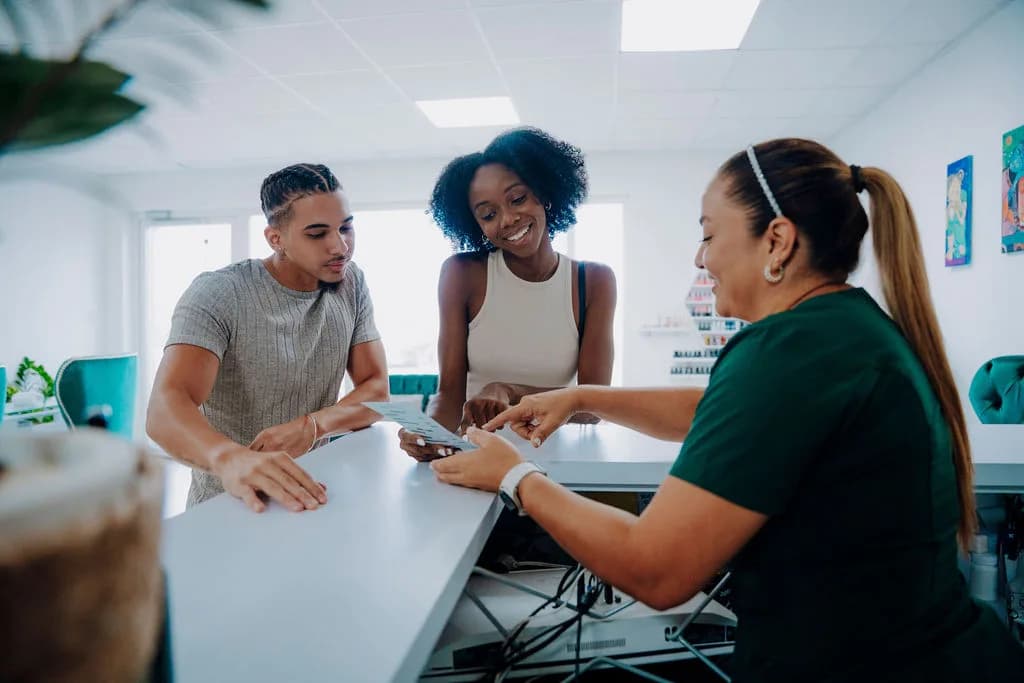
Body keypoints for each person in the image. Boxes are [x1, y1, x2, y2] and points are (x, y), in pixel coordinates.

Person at [429, 139, 1024, 681]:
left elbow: (656, 570)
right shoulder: (841, 329)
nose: (698, 259)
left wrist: (513, 475)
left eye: (709, 236)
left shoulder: (789, 351)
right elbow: (715, 408)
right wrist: (580, 397)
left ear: (778, 241)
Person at [147, 163, 388, 513]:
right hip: (229, 506)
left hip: (314, 495)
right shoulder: (220, 292)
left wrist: (313, 426)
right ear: (276, 239)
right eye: (318, 234)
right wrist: (231, 458)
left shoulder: (351, 284)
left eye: (346, 228)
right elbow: (164, 410)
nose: (340, 247)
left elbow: (377, 388)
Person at [398, 127, 616, 461]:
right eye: (488, 214)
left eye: (518, 199)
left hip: (554, 461)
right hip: (477, 456)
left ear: (544, 192)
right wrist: (427, 434)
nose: (509, 219)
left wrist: (508, 391)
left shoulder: (594, 281)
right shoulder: (462, 274)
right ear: (475, 224)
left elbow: (592, 406)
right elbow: (449, 396)